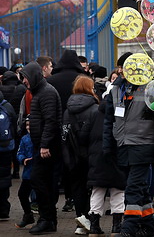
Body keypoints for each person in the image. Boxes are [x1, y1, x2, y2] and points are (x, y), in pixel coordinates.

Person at [103, 52, 154, 237]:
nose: (122, 70)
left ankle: (129, 227)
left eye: (126, 66)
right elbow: (109, 120)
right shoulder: (115, 90)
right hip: (122, 146)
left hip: (143, 145)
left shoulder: (150, 89)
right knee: (141, 189)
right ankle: (148, 225)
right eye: (121, 67)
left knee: (132, 187)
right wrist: (108, 146)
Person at [19, 61, 62, 234]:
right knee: (43, 182)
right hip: (43, 146)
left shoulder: (46, 93)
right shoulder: (40, 92)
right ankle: (48, 219)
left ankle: (47, 219)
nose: (24, 82)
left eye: (26, 78)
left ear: (34, 76)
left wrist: (44, 145)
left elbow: (51, 121)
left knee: (39, 180)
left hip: (48, 147)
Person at [47, 49, 85, 213]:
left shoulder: (51, 81)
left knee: (55, 170)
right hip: (78, 132)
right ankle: (78, 205)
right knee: (77, 171)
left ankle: (51, 207)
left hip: (56, 131)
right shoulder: (83, 80)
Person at [63, 75, 99, 235]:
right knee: (92, 188)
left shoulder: (67, 109)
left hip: (71, 155)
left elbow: (63, 133)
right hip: (89, 154)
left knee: (77, 188)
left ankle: (80, 220)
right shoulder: (94, 108)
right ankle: (89, 220)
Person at [87, 98, 125, 236]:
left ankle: (94, 226)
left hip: (97, 157)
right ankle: (116, 227)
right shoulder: (120, 112)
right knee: (118, 190)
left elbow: (85, 135)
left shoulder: (95, 113)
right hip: (117, 155)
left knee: (97, 190)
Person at [15, 116, 35, 228]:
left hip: (38, 172)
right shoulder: (24, 139)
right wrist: (23, 159)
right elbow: (19, 152)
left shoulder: (40, 138)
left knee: (41, 196)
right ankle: (28, 215)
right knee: (22, 194)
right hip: (28, 173)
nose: (28, 127)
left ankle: (46, 218)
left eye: (30, 125)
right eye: (27, 125)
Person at [0, 91, 17, 220]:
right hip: (5, 148)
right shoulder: (7, 106)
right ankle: (3, 209)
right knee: (4, 177)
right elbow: (14, 123)